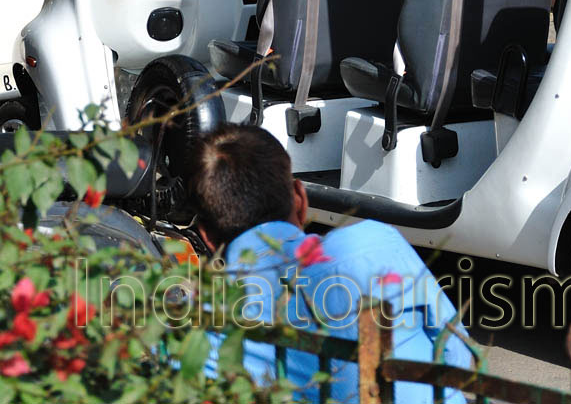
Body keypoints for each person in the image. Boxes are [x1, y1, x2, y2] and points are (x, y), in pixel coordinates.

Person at [190, 124, 471, 404]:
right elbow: (459, 358)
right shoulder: (377, 243)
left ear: (206, 237)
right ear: (300, 199)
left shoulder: (201, 323)